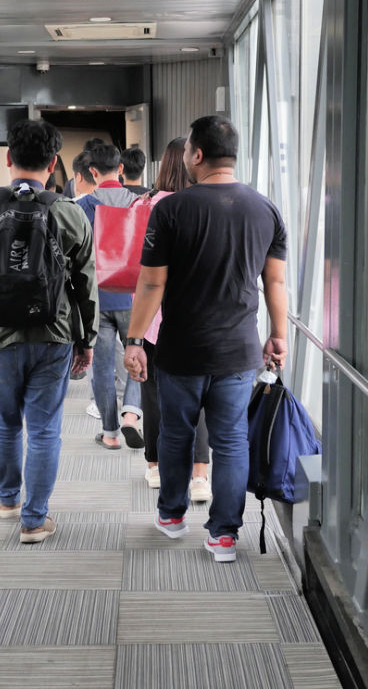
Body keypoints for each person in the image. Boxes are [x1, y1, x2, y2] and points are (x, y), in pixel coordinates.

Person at [125, 115, 288, 563]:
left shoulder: (172, 210)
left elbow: (152, 285)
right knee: (231, 440)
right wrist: (278, 334)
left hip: (180, 349)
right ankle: (223, 536)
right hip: (238, 351)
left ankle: (173, 516)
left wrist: (135, 339)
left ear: (195, 155)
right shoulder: (265, 208)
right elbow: (274, 282)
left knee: (176, 435)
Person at [0, 118, 97, 544]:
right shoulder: (68, 211)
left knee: (5, 424)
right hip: (55, 335)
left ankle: (6, 500)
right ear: (53, 165)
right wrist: (86, 341)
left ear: (8, 159)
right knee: (45, 428)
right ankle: (34, 520)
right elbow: (87, 283)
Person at [137, 138, 212, 502]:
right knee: (197, 397)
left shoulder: (148, 204)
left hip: (153, 317)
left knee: (151, 394)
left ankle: (153, 467)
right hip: (195, 317)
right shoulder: (203, 205)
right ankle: (200, 475)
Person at [77, 143, 144, 450]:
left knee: (102, 366)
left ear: (92, 172)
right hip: (134, 297)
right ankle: (131, 413)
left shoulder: (81, 207)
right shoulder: (140, 203)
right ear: (120, 169)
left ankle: (110, 433)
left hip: (96, 298)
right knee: (136, 355)